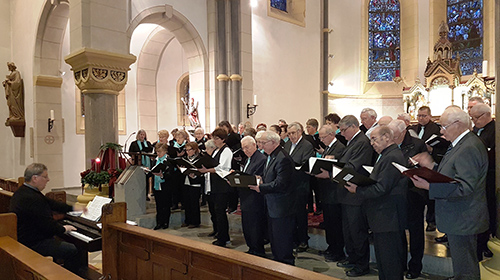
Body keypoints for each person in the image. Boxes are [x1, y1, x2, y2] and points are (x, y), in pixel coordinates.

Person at [412, 106, 488, 280]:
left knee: (466, 268)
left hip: (463, 216)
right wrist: (431, 166)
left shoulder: (469, 146)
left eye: (444, 126)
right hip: (458, 216)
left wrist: (429, 187)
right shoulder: (460, 143)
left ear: (458, 124)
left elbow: (465, 186)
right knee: (461, 266)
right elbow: (451, 174)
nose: (441, 131)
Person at [345, 126, 408, 280]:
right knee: (384, 262)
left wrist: (358, 190)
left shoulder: (391, 156)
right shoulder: (387, 155)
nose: (371, 143)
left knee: (390, 262)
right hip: (384, 217)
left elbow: (381, 188)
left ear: (386, 137)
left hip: (388, 217)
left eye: (374, 139)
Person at [9, 163, 88, 277]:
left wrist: (74, 208)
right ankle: (70, 277)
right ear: (35, 178)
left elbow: (52, 204)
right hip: (32, 243)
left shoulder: (25, 191)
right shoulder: (31, 198)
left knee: (68, 243)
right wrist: (63, 228)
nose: (48, 179)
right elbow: (47, 225)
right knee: (72, 250)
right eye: (45, 177)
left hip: (30, 237)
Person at [388, 119, 428, 279]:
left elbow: (425, 168)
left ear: (404, 131)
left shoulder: (417, 144)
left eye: (395, 135)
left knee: (416, 232)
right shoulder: (390, 143)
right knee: (398, 231)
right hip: (395, 194)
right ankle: (401, 263)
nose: (392, 137)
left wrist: (413, 166)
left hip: (413, 194)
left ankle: (415, 266)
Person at [249, 131, 295, 265]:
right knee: (275, 238)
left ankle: (285, 265)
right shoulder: (271, 156)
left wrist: (261, 188)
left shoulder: (282, 158)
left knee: (282, 239)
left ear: (274, 143)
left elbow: (281, 183)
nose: (260, 146)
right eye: (259, 143)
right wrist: (261, 179)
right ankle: (278, 264)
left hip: (281, 205)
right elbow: (271, 176)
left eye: (263, 143)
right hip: (273, 204)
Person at [335, 116, 373, 276]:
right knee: (348, 231)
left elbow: (354, 167)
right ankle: (352, 258)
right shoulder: (352, 141)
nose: (342, 134)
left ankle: (361, 265)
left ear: (354, 126)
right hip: (346, 193)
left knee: (357, 232)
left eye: (344, 130)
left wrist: (333, 169)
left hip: (355, 194)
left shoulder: (362, 142)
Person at [314, 125, 346, 263]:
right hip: (326, 191)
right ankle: (331, 247)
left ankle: (337, 250)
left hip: (334, 191)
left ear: (332, 134)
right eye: (320, 137)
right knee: (329, 222)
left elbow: (340, 167)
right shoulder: (328, 147)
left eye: (323, 137)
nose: (321, 139)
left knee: (335, 223)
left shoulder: (339, 148)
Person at [411, 106, 445, 232]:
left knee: (431, 194)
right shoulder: (413, 128)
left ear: (429, 116)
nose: (421, 118)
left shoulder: (436, 128)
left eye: (424, 116)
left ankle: (431, 220)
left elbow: (442, 147)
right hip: (417, 162)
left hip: (431, 163)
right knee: (420, 192)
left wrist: (431, 149)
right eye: (419, 115)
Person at [283, 122, 315, 253]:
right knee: (290, 214)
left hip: (300, 184)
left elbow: (306, 164)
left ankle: (303, 240)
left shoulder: (306, 145)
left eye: (293, 133)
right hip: (288, 185)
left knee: (300, 214)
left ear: (300, 132)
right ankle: (293, 238)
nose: (291, 136)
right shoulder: (287, 144)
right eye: (289, 134)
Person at [198, 128, 232, 247]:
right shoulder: (217, 150)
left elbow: (222, 168)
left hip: (222, 186)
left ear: (223, 139)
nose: (214, 140)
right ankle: (220, 234)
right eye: (214, 138)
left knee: (221, 212)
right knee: (216, 212)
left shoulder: (226, 151)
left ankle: (224, 238)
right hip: (214, 185)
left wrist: (207, 169)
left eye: (216, 138)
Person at [470, 103, 495, 259]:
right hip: (477, 177)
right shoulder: (475, 130)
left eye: (476, 118)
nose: (474, 121)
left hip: (490, 177)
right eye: (472, 118)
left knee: (489, 212)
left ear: (487, 115)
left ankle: (486, 243)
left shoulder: (495, 130)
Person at [238, 136, 267, 257]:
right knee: (247, 225)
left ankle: (257, 249)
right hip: (246, 197)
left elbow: (257, 177)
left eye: (247, 147)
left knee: (255, 226)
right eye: (243, 148)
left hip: (254, 198)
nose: (245, 150)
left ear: (254, 145)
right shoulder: (248, 159)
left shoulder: (261, 159)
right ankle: (251, 248)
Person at [181, 142, 205, 228]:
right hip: (186, 182)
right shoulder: (185, 158)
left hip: (195, 183)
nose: (187, 152)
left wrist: (195, 175)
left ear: (194, 150)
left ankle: (195, 222)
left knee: (194, 203)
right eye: (186, 150)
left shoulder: (200, 159)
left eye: (189, 150)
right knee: (187, 202)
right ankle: (187, 220)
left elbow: (202, 173)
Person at [150, 143, 173, 230]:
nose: (158, 153)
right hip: (157, 185)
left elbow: (171, 175)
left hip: (165, 186)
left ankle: (165, 222)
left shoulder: (168, 161)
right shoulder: (155, 160)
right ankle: (159, 222)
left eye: (160, 151)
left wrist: (162, 175)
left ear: (165, 151)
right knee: (158, 205)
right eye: (157, 151)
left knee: (166, 205)